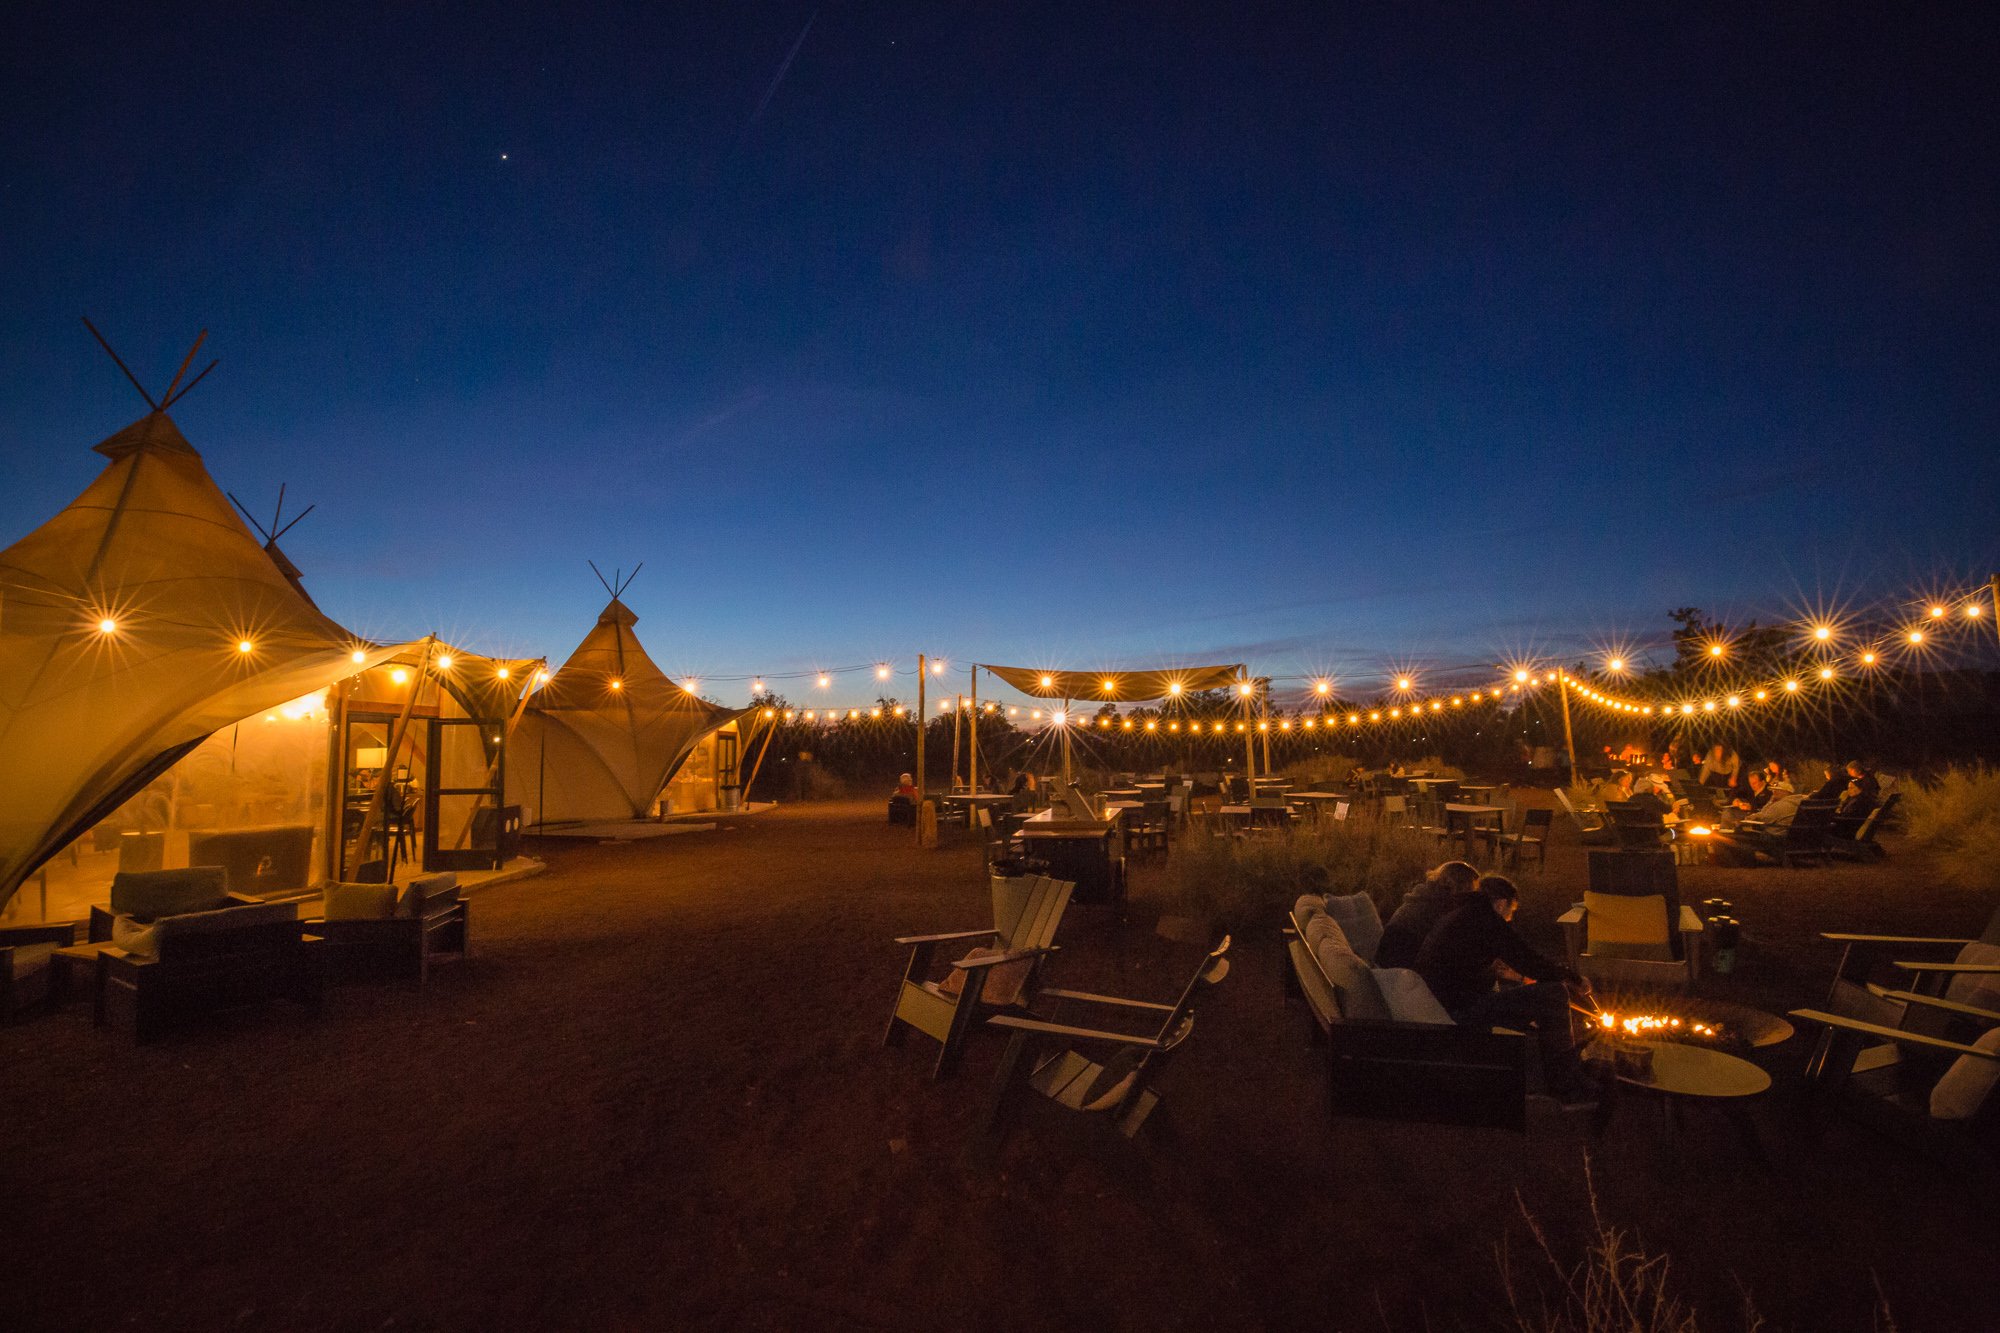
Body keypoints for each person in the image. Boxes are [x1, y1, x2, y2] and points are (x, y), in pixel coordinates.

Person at [1414, 876, 1598, 1104]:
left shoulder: (1461, 912)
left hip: (1448, 1001)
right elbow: (1528, 959)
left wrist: (1509, 974)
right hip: (1460, 1011)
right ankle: (1566, 1081)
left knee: (1535, 996)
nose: (1509, 920)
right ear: (1501, 904)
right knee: (1554, 994)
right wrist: (1574, 979)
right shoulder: (1485, 919)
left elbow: (1463, 964)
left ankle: (1556, 1072)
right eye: (1510, 913)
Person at [1375, 861, 1481, 969]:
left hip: (1388, 966)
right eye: (1472, 892)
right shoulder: (1439, 907)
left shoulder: (1422, 898)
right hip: (1404, 971)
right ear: (1461, 888)